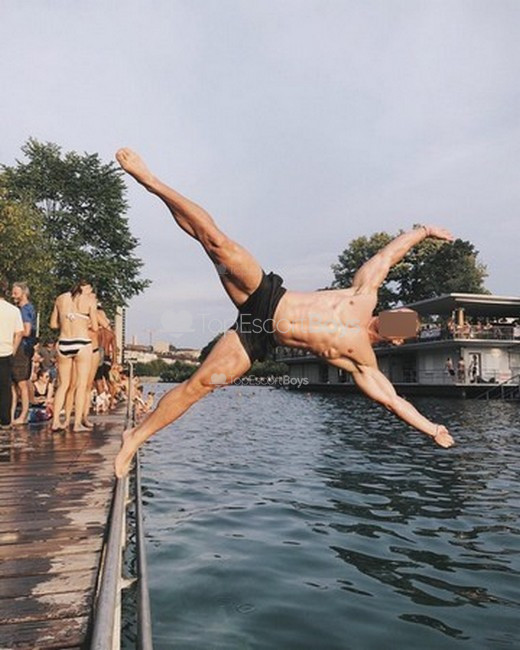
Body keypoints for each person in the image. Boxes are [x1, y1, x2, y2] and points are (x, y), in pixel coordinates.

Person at [113, 148, 456, 478]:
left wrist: (432, 429)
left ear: (397, 340)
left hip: (256, 337)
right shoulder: (364, 295)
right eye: (403, 311)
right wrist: (424, 232)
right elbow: (387, 257)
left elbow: (393, 401)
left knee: (199, 386)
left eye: (404, 322)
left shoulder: (362, 361)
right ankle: (151, 181)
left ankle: (135, 438)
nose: (398, 314)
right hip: (265, 294)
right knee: (216, 242)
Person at [50, 280, 98, 432]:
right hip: (82, 342)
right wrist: (84, 322)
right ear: (86, 287)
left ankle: (55, 421)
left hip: (64, 342)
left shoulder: (60, 298)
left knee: (63, 385)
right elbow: (95, 327)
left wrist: (67, 321)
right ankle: (77, 424)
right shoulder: (90, 301)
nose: (91, 292)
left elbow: (53, 324)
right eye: (90, 289)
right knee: (81, 385)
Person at [10, 282, 38, 425]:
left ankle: (23, 415)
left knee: (21, 383)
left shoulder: (25, 309)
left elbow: (26, 331)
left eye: (15, 293)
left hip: (22, 348)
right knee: (13, 383)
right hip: (19, 347)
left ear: (24, 293)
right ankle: (11, 415)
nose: (12, 295)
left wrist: (12, 332)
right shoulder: (21, 309)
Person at [0, 277, 24, 428]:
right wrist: (13, 349)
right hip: (6, 351)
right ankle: (5, 420)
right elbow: (19, 332)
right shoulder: (13, 310)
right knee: (5, 387)